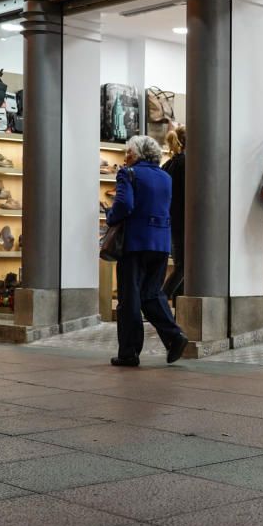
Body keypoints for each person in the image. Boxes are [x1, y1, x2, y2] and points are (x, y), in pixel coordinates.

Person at [107, 135, 189, 366]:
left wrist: (111, 217)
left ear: (135, 154)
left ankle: (129, 353)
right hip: (160, 243)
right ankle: (174, 336)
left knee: (129, 298)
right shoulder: (165, 177)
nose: (126, 157)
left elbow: (123, 205)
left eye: (128, 152)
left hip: (135, 242)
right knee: (151, 293)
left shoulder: (128, 174)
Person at [161, 126, 186, 303]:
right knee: (184, 266)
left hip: (173, 220)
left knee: (181, 264)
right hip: (185, 221)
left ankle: (179, 303)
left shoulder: (169, 163)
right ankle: (160, 298)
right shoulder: (185, 164)